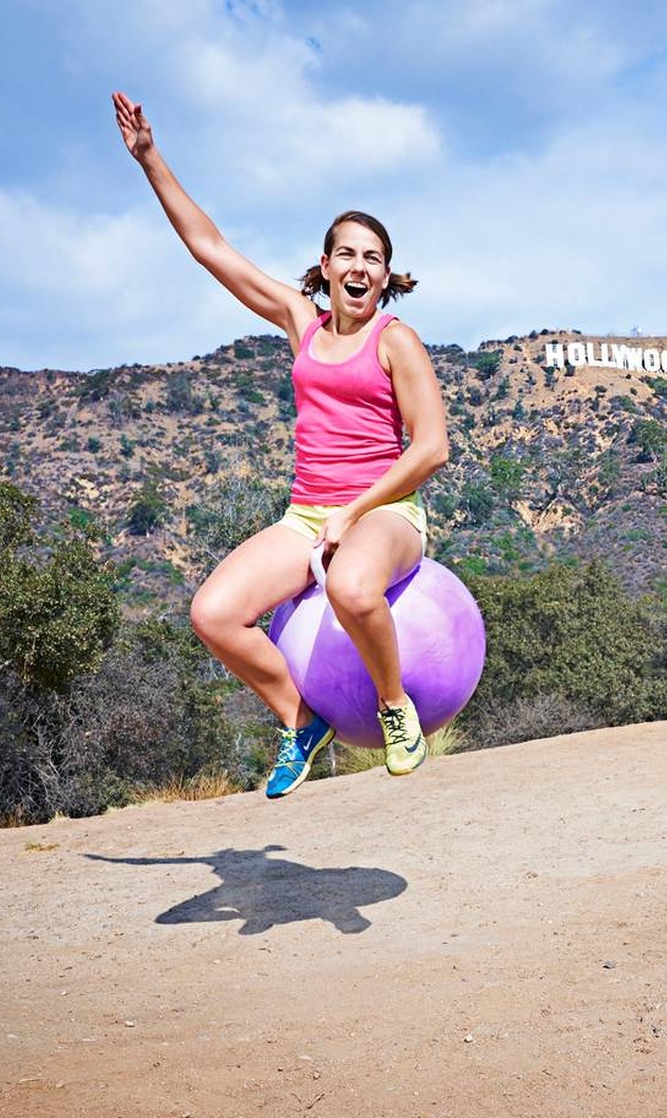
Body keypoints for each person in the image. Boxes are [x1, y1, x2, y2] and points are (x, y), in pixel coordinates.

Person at [113, 92, 450, 798]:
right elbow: (211, 250)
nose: (360, 267)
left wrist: (355, 512)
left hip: (388, 514)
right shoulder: (301, 323)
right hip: (305, 516)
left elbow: (431, 450)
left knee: (355, 587)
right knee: (212, 614)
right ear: (324, 266)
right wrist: (151, 160)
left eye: (375, 258)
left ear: (386, 278)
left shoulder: (397, 341)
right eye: (347, 254)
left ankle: (395, 710)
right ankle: (300, 719)